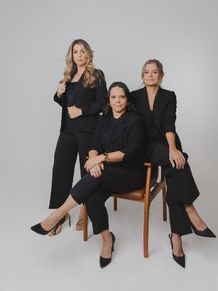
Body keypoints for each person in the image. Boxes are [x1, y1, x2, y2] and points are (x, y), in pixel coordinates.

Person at [31, 82, 147, 268]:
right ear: (108, 100)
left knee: (97, 176)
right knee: (92, 197)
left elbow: (129, 152)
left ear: (127, 99)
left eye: (122, 97)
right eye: (114, 97)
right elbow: (93, 145)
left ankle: (58, 214)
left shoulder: (135, 120)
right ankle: (107, 238)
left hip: (130, 173)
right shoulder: (103, 120)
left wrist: (100, 158)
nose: (118, 101)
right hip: (105, 172)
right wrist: (94, 160)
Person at [131, 59, 216, 268]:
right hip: (144, 147)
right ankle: (189, 209)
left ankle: (176, 236)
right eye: (147, 72)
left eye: (155, 72)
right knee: (179, 163)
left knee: (175, 167)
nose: (150, 75)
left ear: (161, 75)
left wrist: (172, 148)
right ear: (142, 75)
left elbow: (170, 122)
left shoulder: (169, 96)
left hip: (165, 143)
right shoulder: (133, 96)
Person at [48, 39, 107, 234]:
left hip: (88, 130)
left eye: (82, 51)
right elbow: (65, 104)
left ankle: (86, 210)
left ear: (88, 54)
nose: (79, 55)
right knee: (61, 169)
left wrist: (82, 111)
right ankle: (60, 213)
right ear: (71, 55)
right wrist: (58, 94)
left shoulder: (96, 75)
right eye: (75, 52)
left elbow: (103, 104)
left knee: (86, 172)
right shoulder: (68, 75)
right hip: (67, 130)